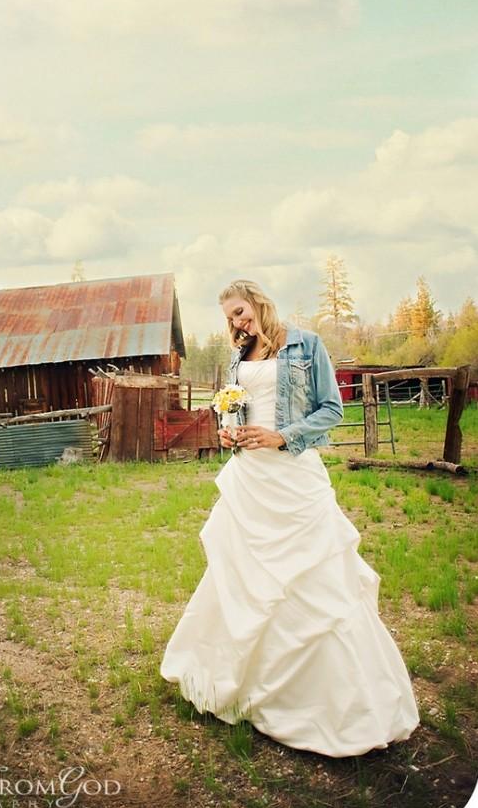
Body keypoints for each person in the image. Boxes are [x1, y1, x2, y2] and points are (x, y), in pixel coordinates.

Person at [160, 279, 420, 758]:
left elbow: (331, 409)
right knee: (244, 578)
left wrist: (282, 437)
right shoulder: (241, 357)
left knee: (314, 583)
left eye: (239, 312)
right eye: (229, 318)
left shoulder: (306, 345)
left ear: (258, 302)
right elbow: (242, 410)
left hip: (293, 478)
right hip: (249, 480)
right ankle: (250, 684)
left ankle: (335, 705)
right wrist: (229, 433)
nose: (236, 323)